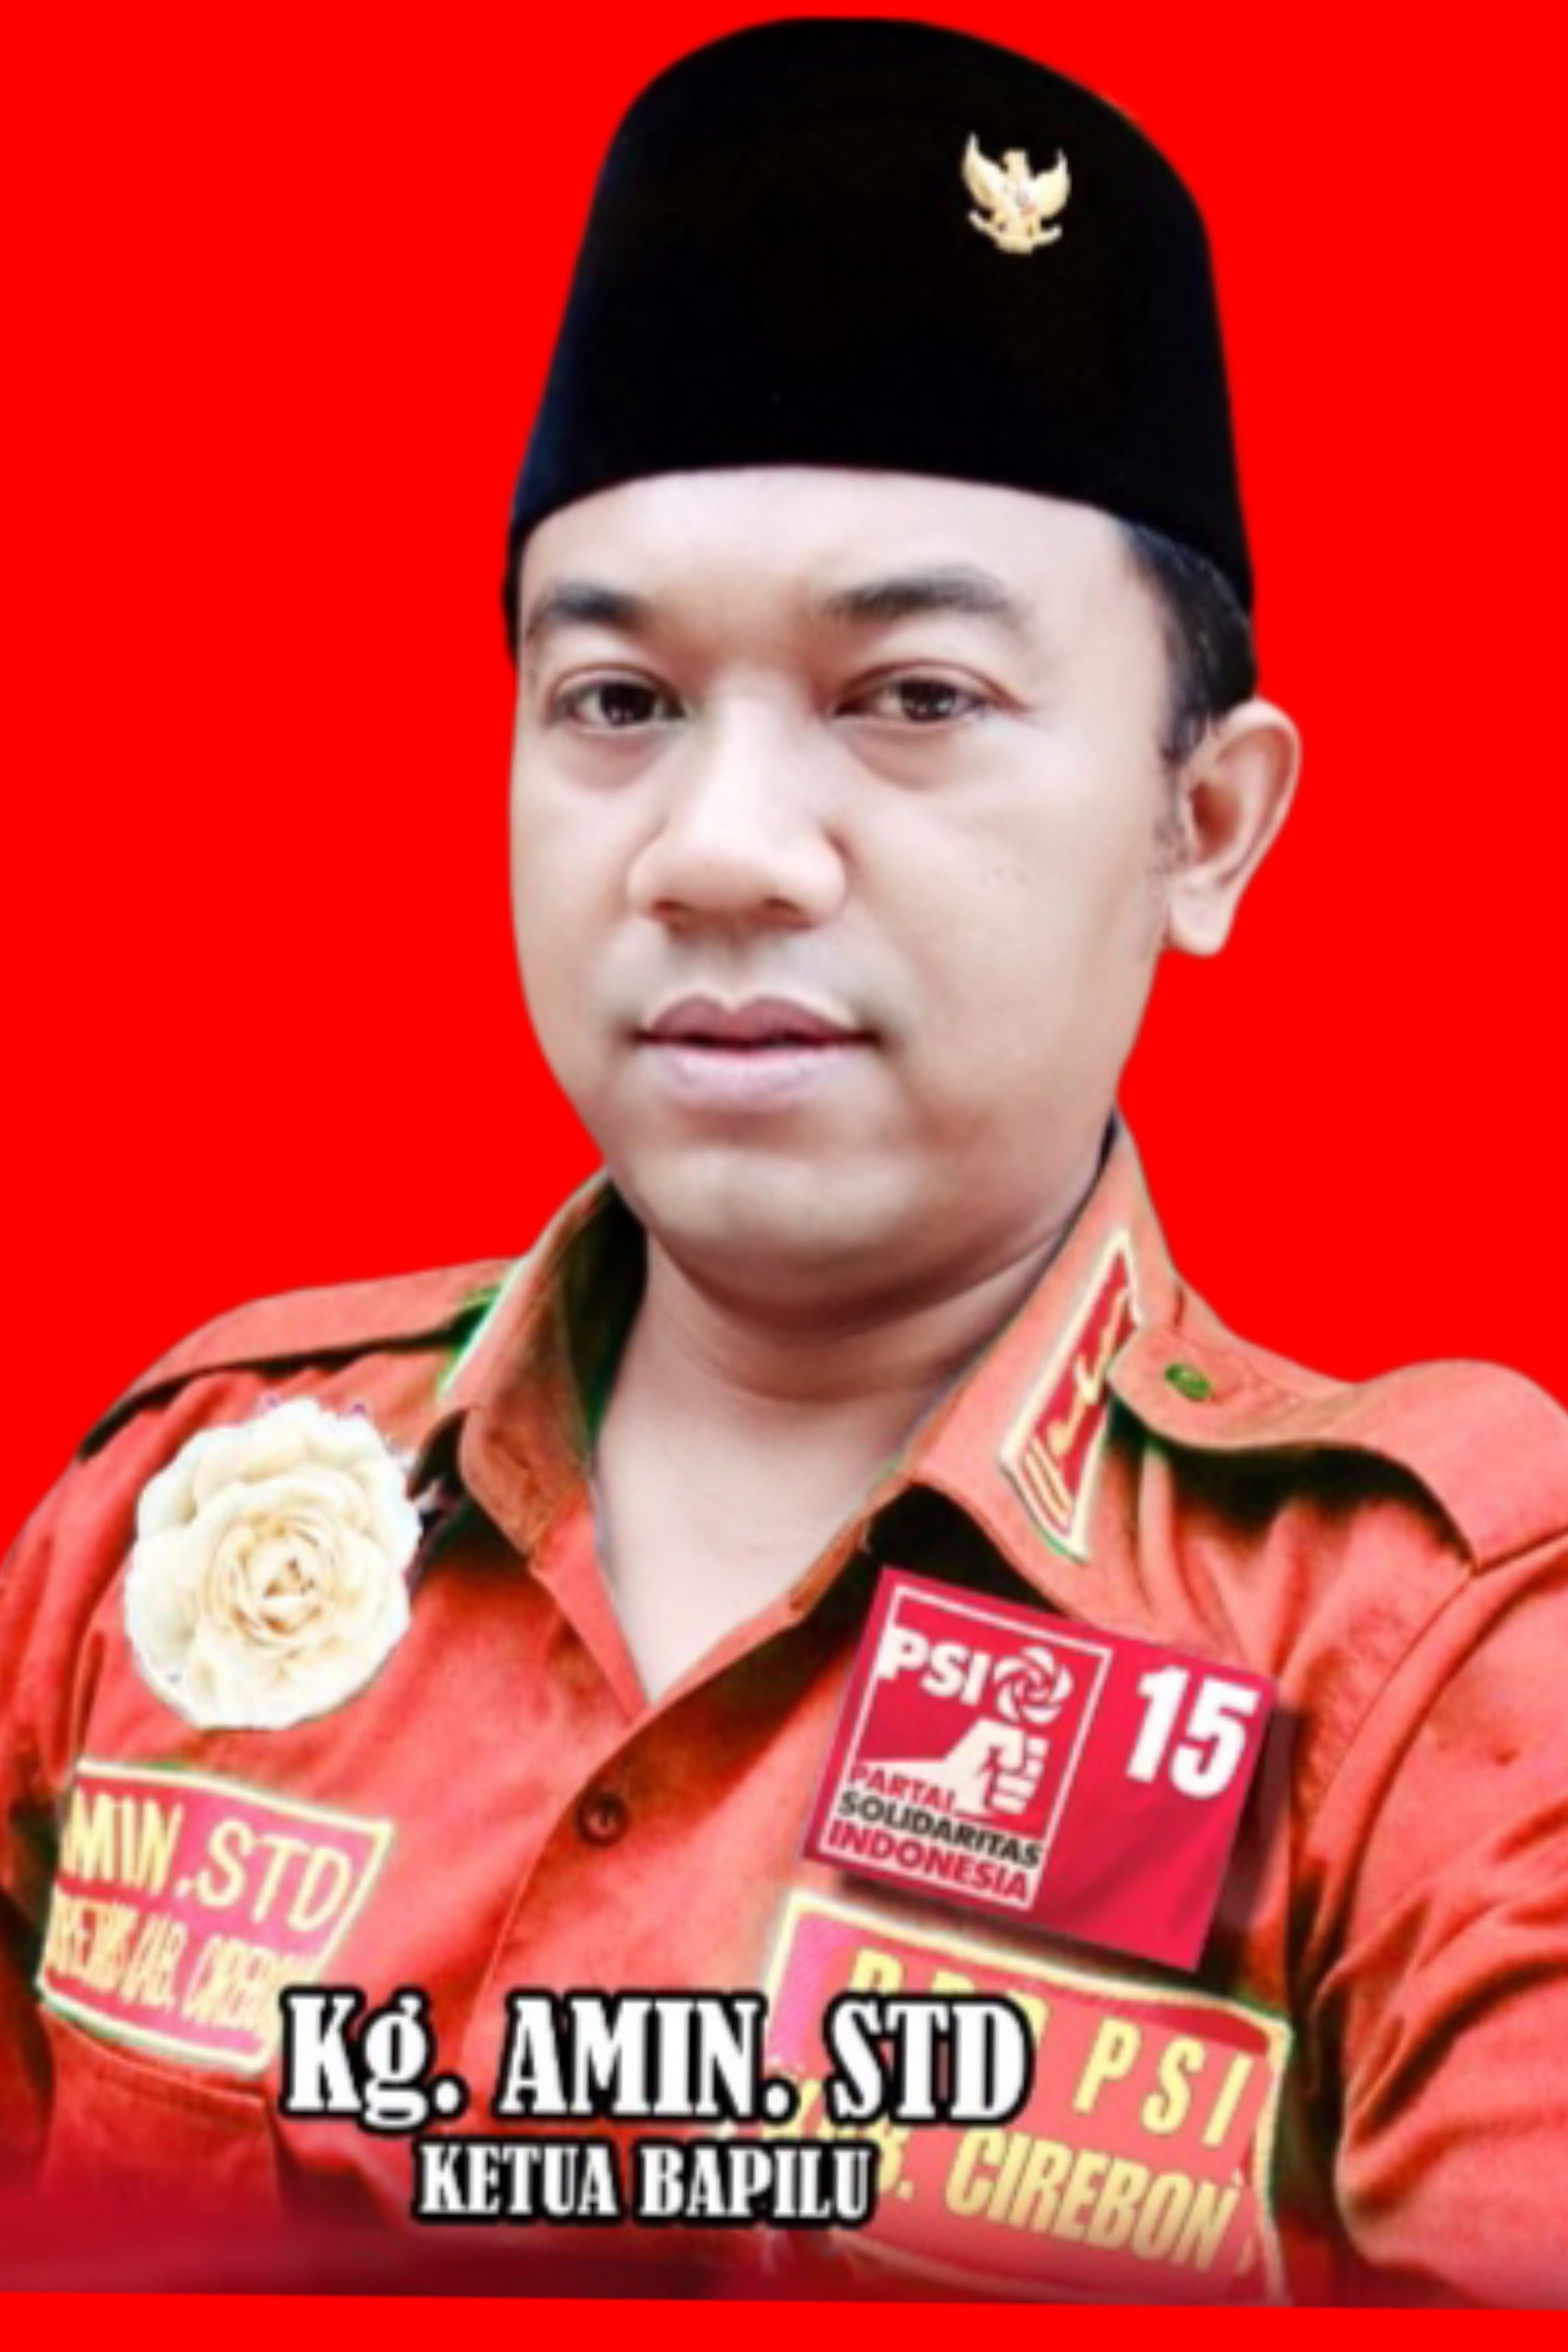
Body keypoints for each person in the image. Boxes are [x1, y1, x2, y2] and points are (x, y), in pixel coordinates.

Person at [3, 13, 1567, 2307]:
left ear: (1204, 822)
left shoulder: (1424, 1655)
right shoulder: (184, 1510)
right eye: (616, 703)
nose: (717, 851)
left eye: (912, 699)